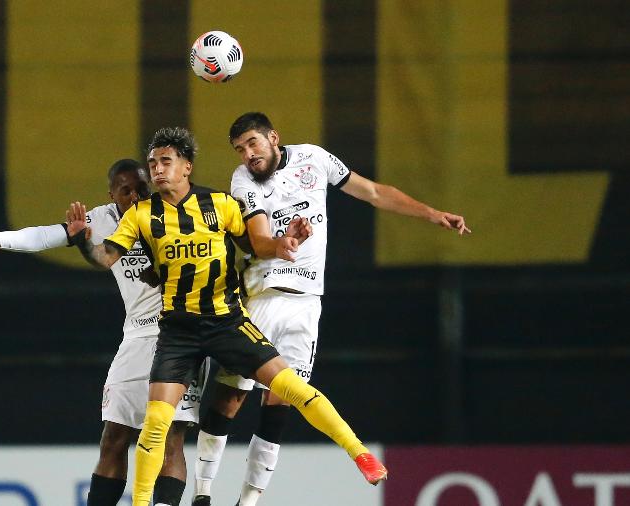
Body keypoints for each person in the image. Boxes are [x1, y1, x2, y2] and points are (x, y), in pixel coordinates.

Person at [66, 126, 386, 506]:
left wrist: (285, 242)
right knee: (155, 426)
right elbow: (106, 257)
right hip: (178, 331)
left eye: (166, 161)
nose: (157, 170)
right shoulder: (140, 214)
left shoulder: (220, 204)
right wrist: (84, 239)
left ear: (186, 166)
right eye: (152, 163)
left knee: (292, 388)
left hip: (226, 321)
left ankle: (359, 454)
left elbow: (256, 245)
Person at [192, 112, 471, 506]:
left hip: (306, 305)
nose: (248, 155)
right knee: (230, 397)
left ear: (274, 137)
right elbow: (256, 238)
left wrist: (431, 213)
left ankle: (247, 502)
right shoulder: (244, 181)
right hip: (263, 297)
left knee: (279, 406)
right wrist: (282, 243)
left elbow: (373, 192)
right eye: (240, 149)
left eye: (253, 143)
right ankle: (202, 493)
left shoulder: (315, 159)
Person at [0, 159, 201, 506]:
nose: (135, 196)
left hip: (181, 335)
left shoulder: (175, 213)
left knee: (170, 436)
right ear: (111, 193)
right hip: (136, 337)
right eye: (125, 190)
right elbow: (48, 235)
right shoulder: (102, 220)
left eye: (142, 188)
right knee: (114, 435)